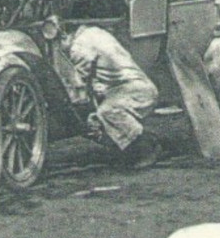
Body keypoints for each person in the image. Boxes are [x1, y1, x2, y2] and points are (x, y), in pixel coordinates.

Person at [42, 14, 162, 168]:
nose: (59, 48)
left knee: (105, 112)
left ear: (64, 36)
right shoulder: (93, 32)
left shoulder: (79, 50)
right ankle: (132, 144)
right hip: (136, 87)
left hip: (135, 91)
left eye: (58, 44)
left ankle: (146, 148)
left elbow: (83, 88)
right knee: (103, 113)